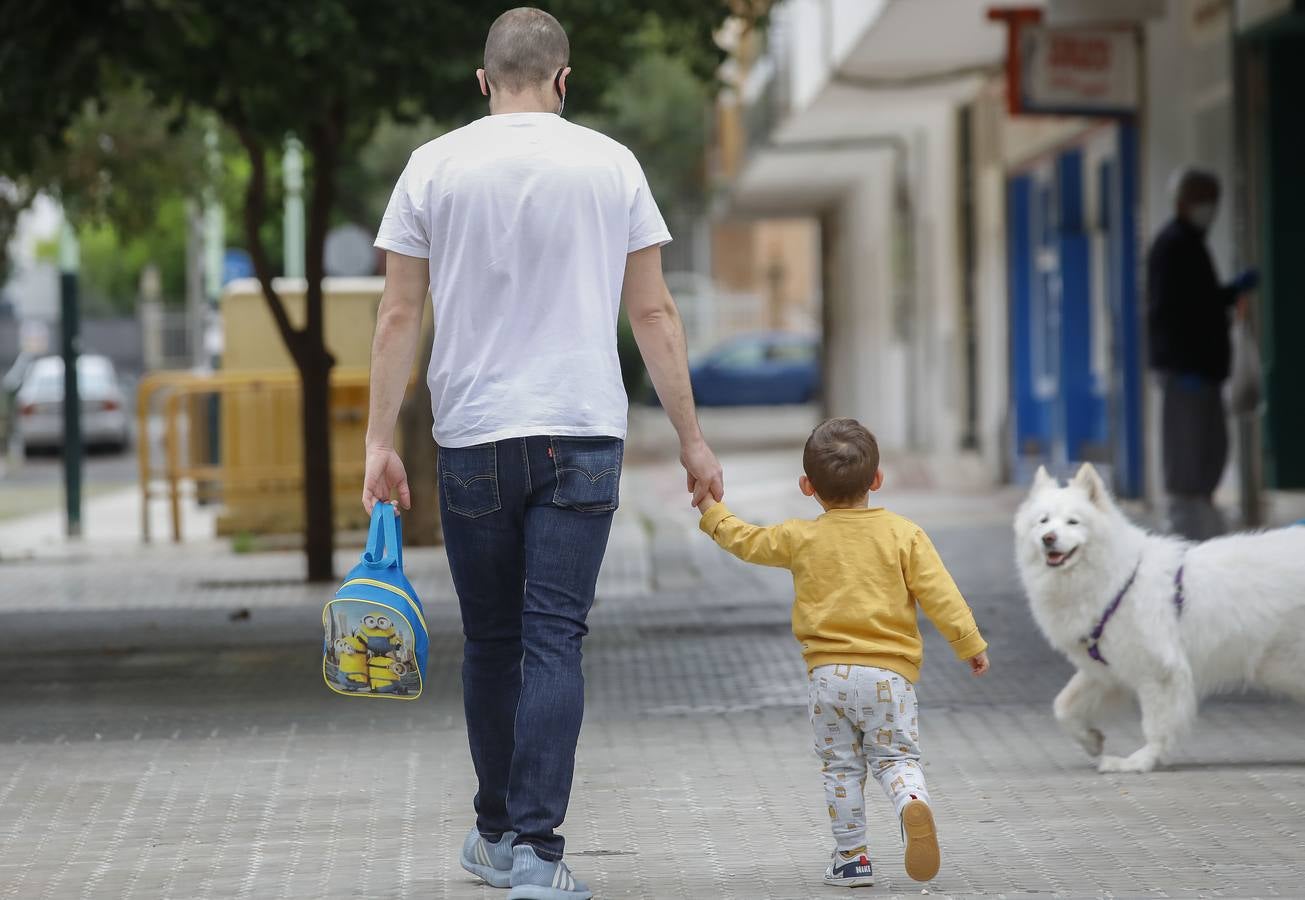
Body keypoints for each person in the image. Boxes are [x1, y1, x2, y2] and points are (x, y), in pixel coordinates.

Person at [362, 8, 723, 899]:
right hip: (581, 432)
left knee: (490, 642)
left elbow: (399, 315)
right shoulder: (612, 164)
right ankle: (536, 854)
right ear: (564, 80)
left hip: (472, 436)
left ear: (483, 82)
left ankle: (493, 835)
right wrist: (692, 439)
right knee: (555, 639)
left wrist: (378, 440)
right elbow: (652, 314)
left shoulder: (431, 166)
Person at [694, 417, 989, 887]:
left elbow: (746, 541)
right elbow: (942, 595)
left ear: (807, 486)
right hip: (890, 679)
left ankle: (851, 858)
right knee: (895, 759)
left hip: (828, 678)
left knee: (841, 767)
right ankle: (911, 801)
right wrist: (968, 643)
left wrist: (713, 511)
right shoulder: (903, 534)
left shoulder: (800, 537)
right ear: (877, 480)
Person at [1147, 167, 1257, 540]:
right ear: (1182, 202)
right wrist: (1176, 366)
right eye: (1202, 199)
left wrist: (1230, 294)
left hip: (1205, 374)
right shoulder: (1172, 246)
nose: (1209, 208)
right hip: (1185, 376)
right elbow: (1168, 312)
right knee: (1186, 469)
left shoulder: (1192, 244)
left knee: (1209, 460)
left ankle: (1204, 541)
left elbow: (1201, 303)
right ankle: (1183, 547)